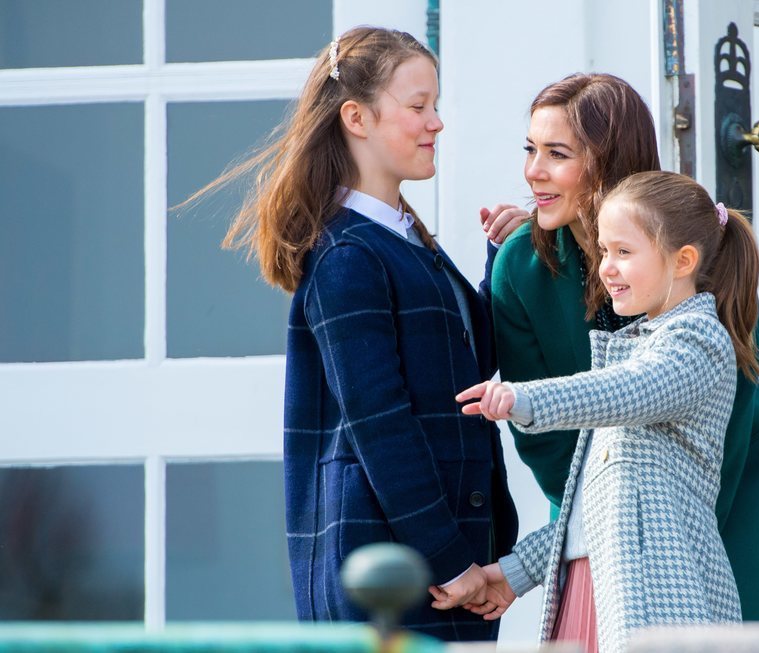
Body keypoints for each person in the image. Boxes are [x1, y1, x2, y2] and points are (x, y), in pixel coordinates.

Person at [201, 27, 520, 641]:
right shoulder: (348, 254)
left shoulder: (403, 239)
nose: (437, 123)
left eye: (436, 105)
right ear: (357, 117)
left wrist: (502, 260)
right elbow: (381, 425)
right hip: (396, 575)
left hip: (443, 563)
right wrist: (449, 559)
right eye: (418, 105)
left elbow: (464, 362)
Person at [487, 73, 759, 621]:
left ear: (605, 161)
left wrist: (676, 538)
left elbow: (733, 416)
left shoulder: (693, 249)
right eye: (531, 149)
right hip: (596, 495)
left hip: (722, 490)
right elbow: (549, 452)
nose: (533, 171)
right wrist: (604, 524)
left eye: (557, 153)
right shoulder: (519, 268)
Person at [450, 170, 759, 653]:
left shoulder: (698, 342)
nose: (606, 268)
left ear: (683, 261)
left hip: (656, 601)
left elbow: (626, 390)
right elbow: (599, 508)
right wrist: (516, 571)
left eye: (623, 252)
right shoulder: (638, 345)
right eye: (604, 252)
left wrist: (527, 399)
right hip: (598, 589)